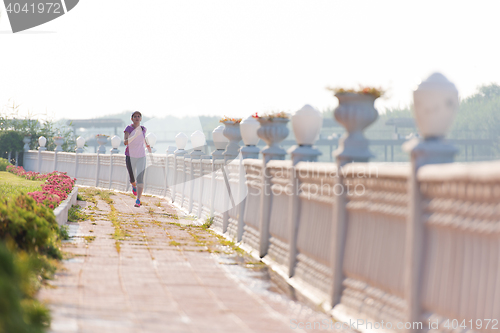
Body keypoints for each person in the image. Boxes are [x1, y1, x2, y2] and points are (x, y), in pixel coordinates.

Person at [124, 111, 151, 207]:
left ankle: (138, 200)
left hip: (141, 156)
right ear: (132, 119)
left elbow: (144, 138)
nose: (137, 118)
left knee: (140, 178)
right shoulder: (128, 129)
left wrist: (147, 145)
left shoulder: (143, 129)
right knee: (132, 178)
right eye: (135, 116)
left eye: (138, 116)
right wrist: (134, 135)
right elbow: (125, 142)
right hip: (130, 156)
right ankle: (133, 185)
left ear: (141, 119)